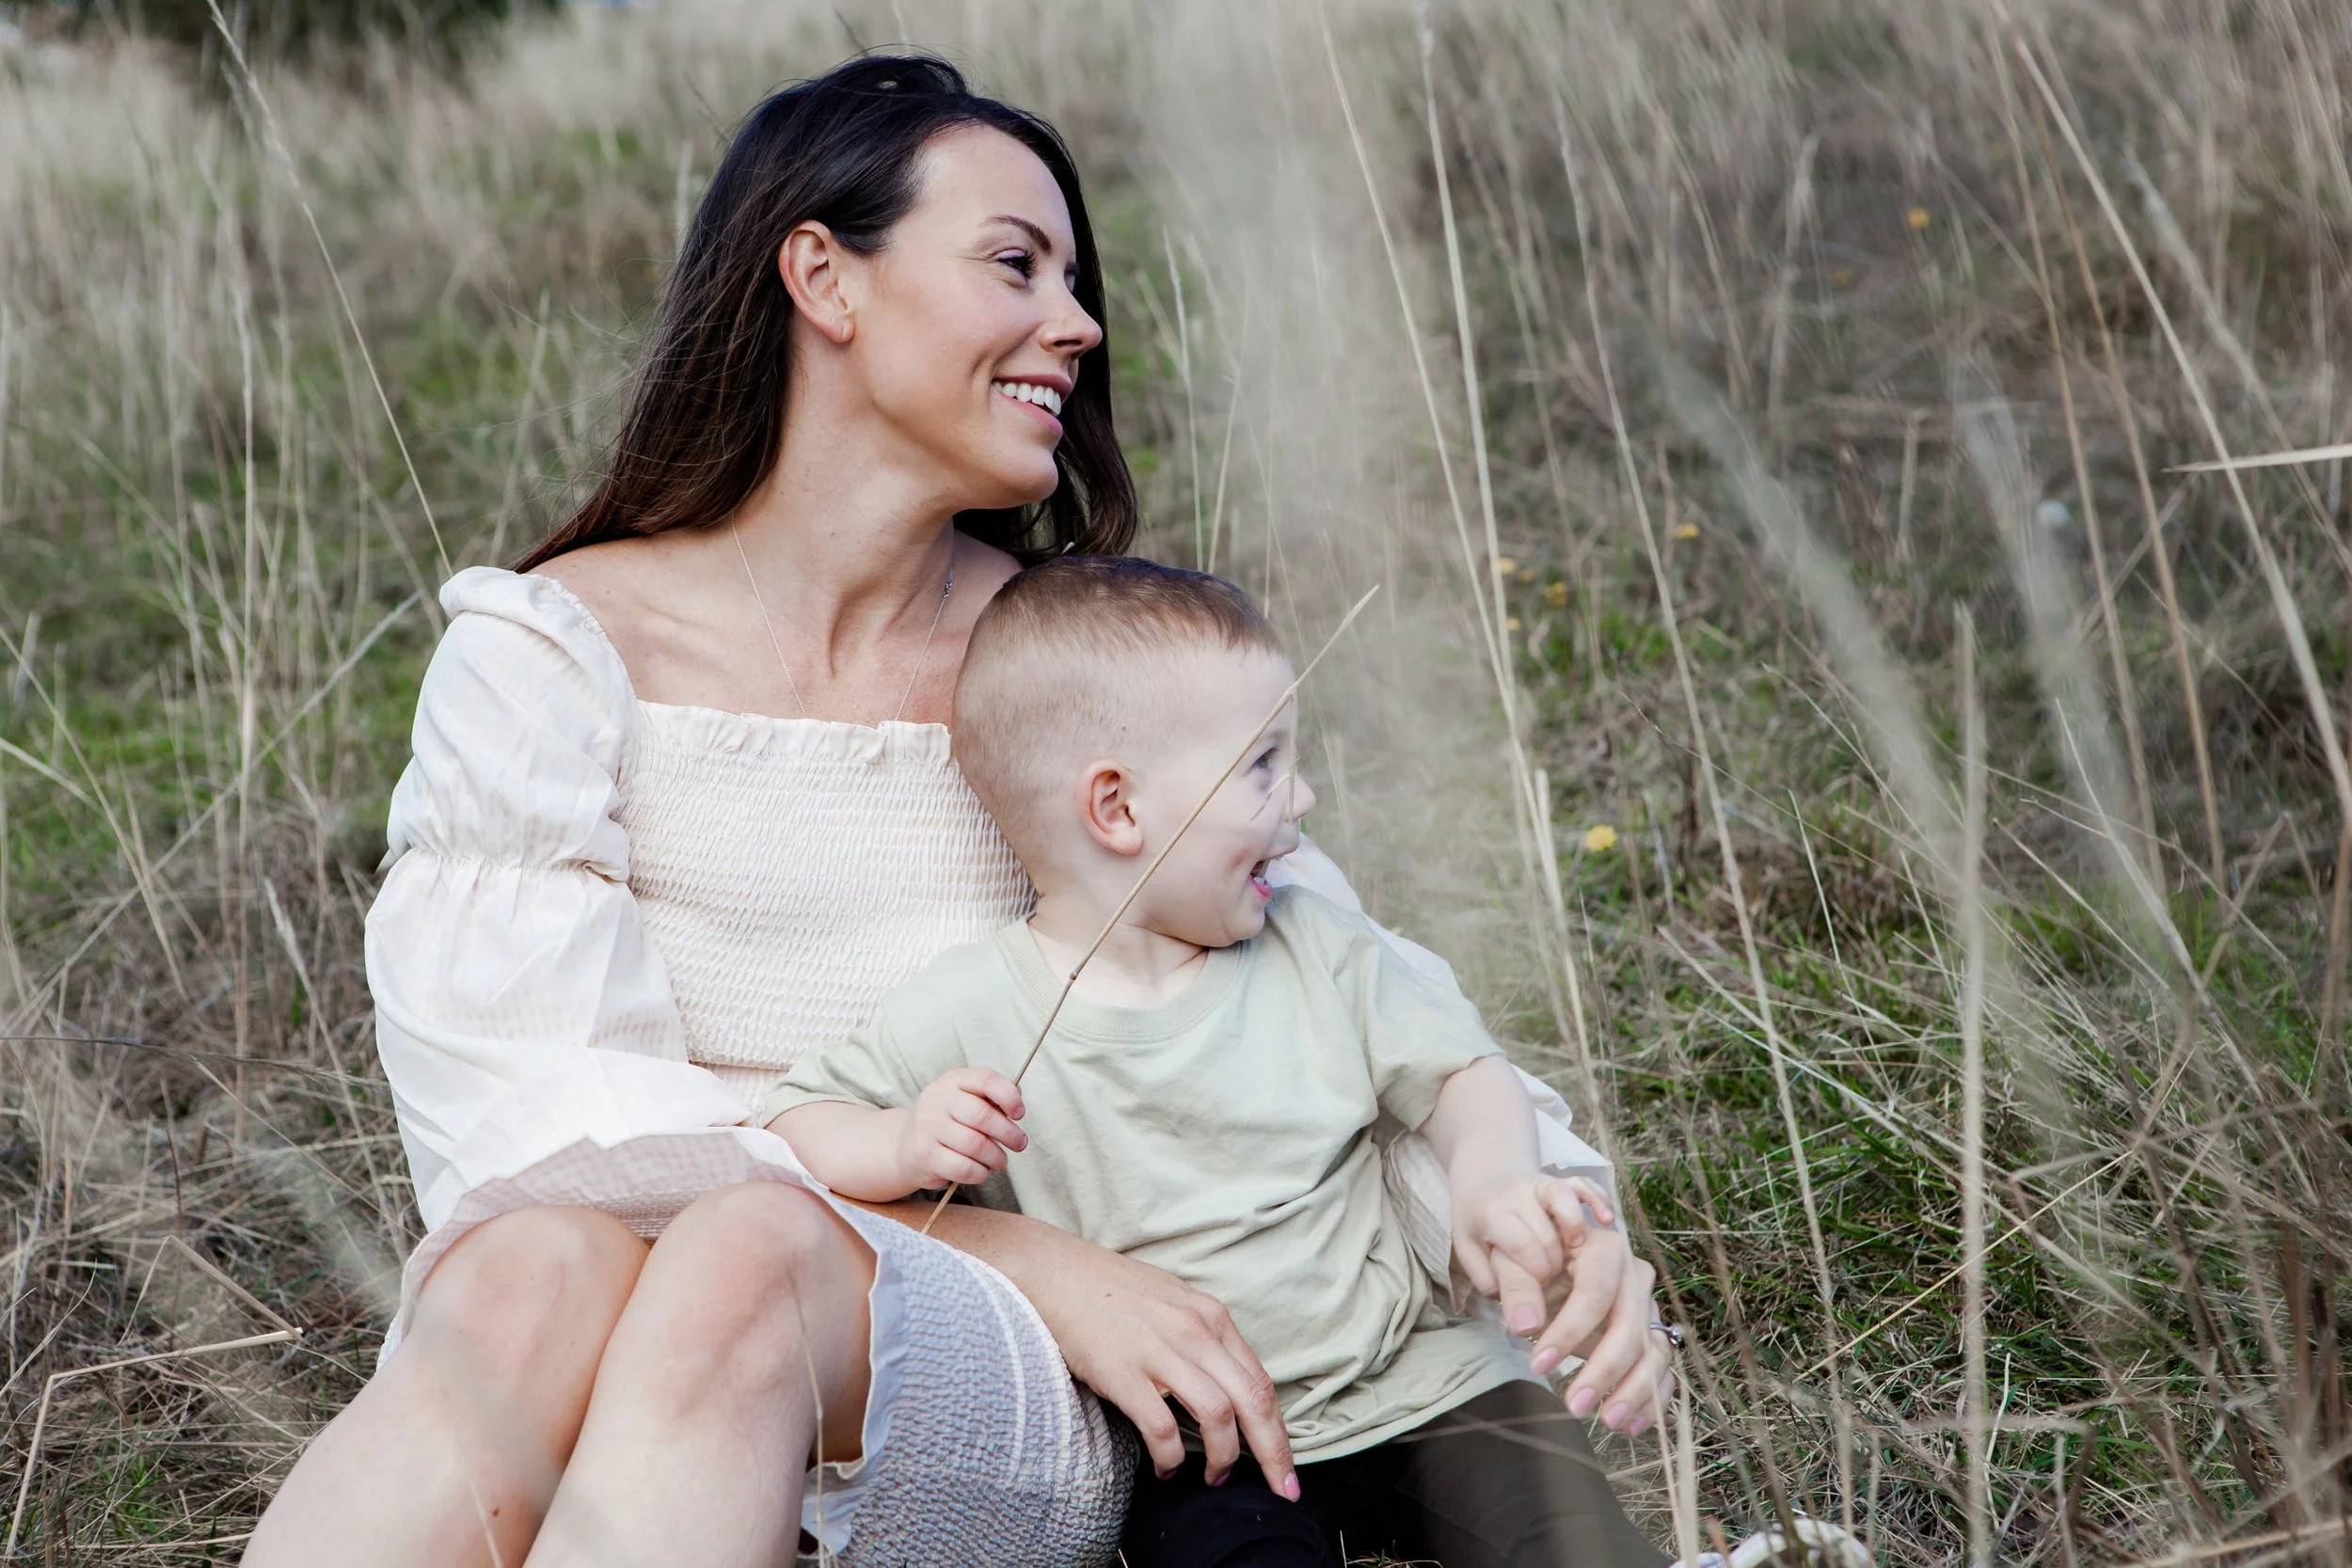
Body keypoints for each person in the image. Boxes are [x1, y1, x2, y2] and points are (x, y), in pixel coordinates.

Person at [241, 54, 1674, 1568]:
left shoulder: (1062, 683)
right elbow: (519, 1130)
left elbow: (1299, 994)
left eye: (1075, 275)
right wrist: (1008, 1236)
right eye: (1015, 264)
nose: (1079, 322)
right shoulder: (552, 650)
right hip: (836, 1292)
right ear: (823, 279)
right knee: (521, 1263)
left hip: (1018, 1380)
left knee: (741, 1255)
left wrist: (1550, 1222)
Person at [770, 557, 1674, 1568]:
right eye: (1263, 764)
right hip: (1208, 1442)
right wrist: (901, 1138)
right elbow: (793, 1127)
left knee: (1571, 1542)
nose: (1304, 795)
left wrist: (1494, 1174)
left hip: (1434, 1384)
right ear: (1117, 809)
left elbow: (1463, 1069)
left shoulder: (1314, 942)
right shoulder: (976, 1008)